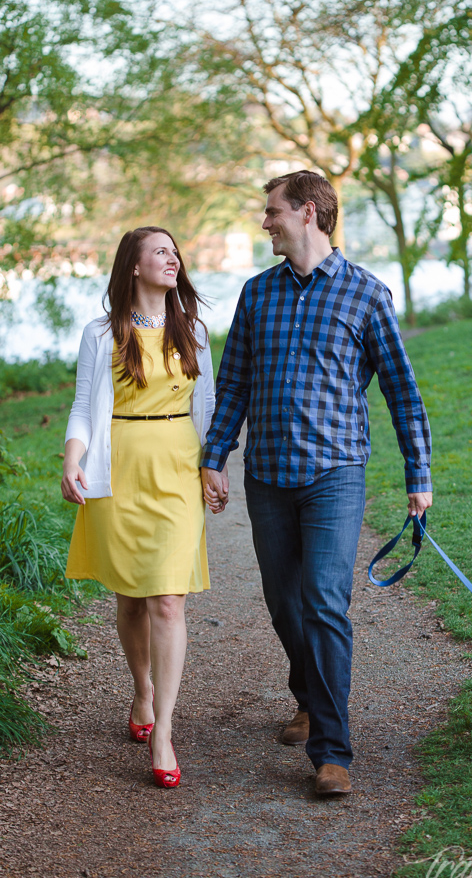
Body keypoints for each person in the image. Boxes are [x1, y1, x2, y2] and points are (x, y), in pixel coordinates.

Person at [201, 171, 432, 796]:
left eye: (272, 211)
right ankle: (308, 695)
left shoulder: (366, 294)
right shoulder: (256, 295)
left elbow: (402, 392)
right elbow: (236, 386)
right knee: (285, 605)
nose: (265, 221)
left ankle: (333, 752)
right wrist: (214, 455)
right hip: (268, 477)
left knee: (325, 603)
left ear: (307, 214)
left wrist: (419, 475)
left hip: (335, 475)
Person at [61, 226, 218, 788]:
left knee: (168, 601)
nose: (172, 258)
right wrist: (72, 459)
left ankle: (166, 730)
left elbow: (209, 405)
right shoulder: (102, 333)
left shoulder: (194, 329)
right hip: (118, 468)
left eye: (176, 251)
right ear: (133, 264)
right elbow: (82, 407)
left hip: (176, 470)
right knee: (131, 596)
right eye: (160, 251)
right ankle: (142, 689)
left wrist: (212, 466)